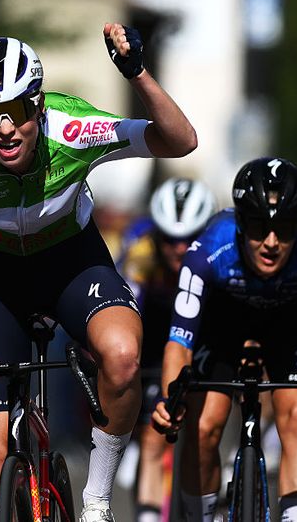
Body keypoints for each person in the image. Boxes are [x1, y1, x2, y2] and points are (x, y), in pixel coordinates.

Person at [0, 23, 197, 522]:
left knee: (123, 356)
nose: (6, 128)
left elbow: (180, 141)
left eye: (18, 111)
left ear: (40, 106)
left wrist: (137, 74)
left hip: (71, 262)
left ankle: (97, 501)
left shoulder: (71, 127)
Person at [151, 157, 297, 522]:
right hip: (223, 321)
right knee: (203, 425)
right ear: (240, 222)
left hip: (289, 323)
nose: (271, 242)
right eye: (259, 227)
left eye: (284, 229)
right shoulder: (207, 251)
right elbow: (179, 342)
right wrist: (170, 400)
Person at [117, 178, 217, 522]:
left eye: (189, 238)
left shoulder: (217, 253)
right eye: (170, 240)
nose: (179, 248)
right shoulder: (141, 253)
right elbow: (127, 312)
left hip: (204, 336)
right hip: (155, 336)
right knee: (153, 434)